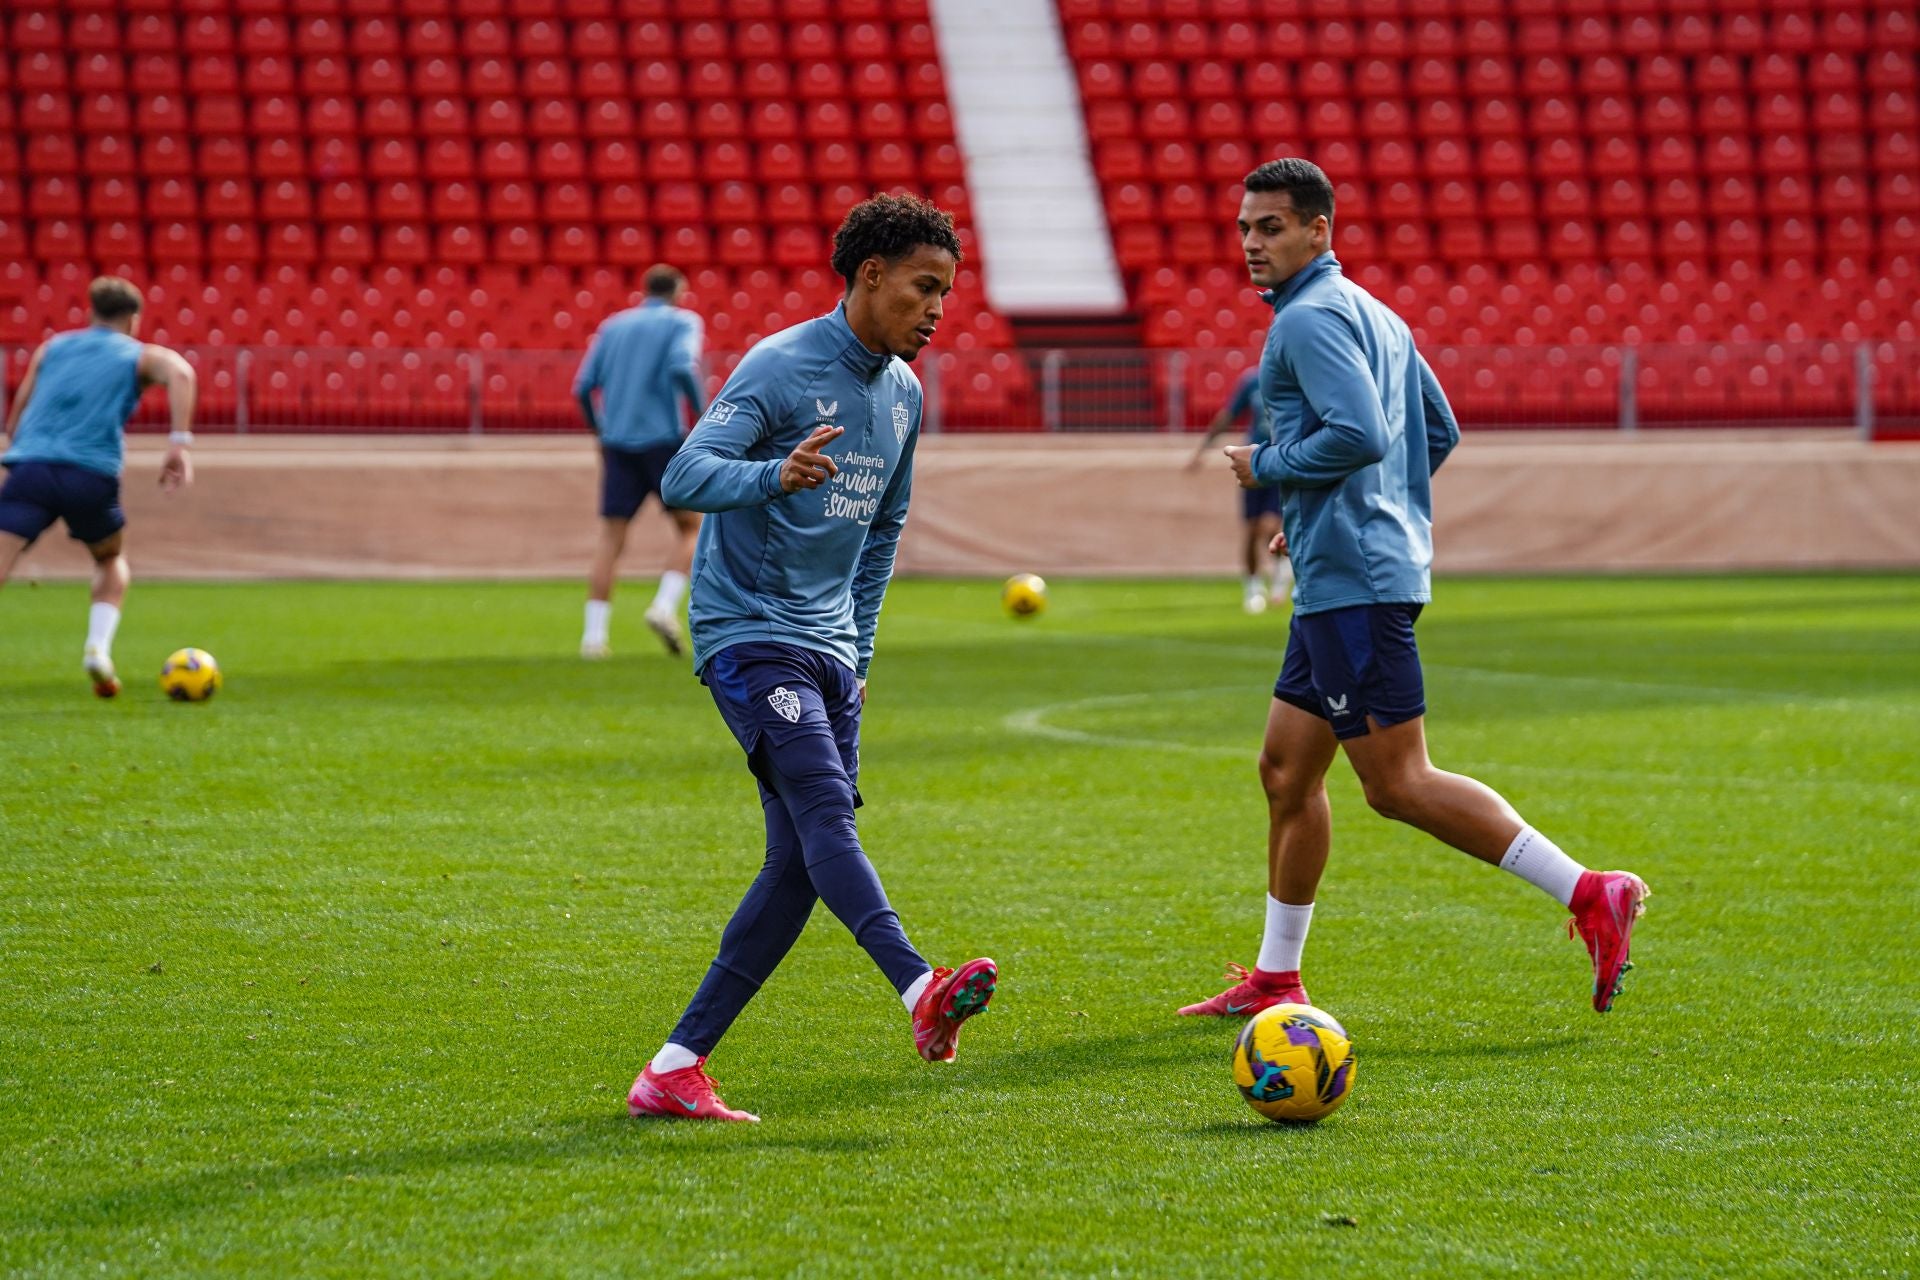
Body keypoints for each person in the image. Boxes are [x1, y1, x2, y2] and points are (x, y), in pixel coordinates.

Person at [1182, 159, 1649, 1020]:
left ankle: (1589, 891)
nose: (1253, 243)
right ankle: (1276, 978)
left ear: (1320, 229)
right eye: (1246, 227)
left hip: (1355, 584)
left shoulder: (1308, 320)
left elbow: (1359, 433)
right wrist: (1333, 511)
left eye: (1272, 227)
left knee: (1398, 784)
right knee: (1286, 771)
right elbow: (1436, 428)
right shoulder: (1373, 313)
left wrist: (1271, 470)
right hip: (1343, 572)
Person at [626, 195, 997, 1123]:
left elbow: (884, 530)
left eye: (945, 293)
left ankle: (674, 1069)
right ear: (869, 275)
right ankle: (920, 991)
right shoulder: (781, 367)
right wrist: (772, 474)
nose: (936, 310)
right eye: (924, 288)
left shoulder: (905, 394)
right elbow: (681, 477)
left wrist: (861, 654)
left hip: (832, 652)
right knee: (828, 813)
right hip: (748, 634)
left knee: (796, 864)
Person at [0, 277, 197, 697]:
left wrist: (20, 460)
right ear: (134, 320)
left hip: (31, 467)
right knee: (110, 558)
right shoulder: (135, 354)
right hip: (90, 473)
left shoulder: (52, 348)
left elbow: (15, 419)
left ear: (92, 311)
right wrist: (178, 444)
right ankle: (97, 649)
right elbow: (181, 372)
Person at [573, 264, 707, 659]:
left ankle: (593, 638)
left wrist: (598, 431)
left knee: (611, 538)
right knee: (691, 529)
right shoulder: (683, 322)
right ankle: (663, 607)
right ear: (679, 289)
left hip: (617, 442)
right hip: (663, 439)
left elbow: (582, 386)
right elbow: (682, 366)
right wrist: (702, 416)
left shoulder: (614, 325)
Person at [1190, 367, 1293, 613]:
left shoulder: (1293, 379)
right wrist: (1203, 450)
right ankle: (1253, 586)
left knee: (1269, 526)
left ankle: (1280, 571)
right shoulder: (1251, 381)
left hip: (1279, 461)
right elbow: (1228, 415)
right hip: (1255, 462)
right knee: (1251, 529)